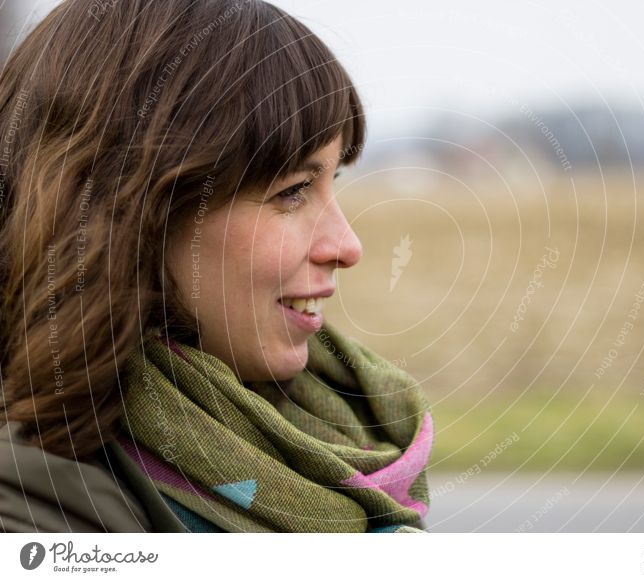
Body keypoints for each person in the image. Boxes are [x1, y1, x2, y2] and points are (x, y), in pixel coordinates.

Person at [0, 0, 433, 533]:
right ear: (133, 215)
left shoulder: (342, 425)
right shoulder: (35, 510)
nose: (347, 245)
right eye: (293, 190)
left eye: (330, 183)